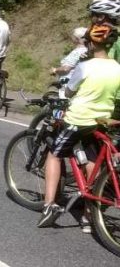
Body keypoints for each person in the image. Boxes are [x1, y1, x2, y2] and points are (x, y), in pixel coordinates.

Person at [37, 24, 120, 230]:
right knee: (92, 158)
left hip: (78, 119)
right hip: (101, 119)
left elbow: (70, 91)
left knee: (54, 154)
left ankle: (49, 205)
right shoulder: (117, 68)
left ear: (91, 43)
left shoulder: (85, 66)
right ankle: (88, 215)